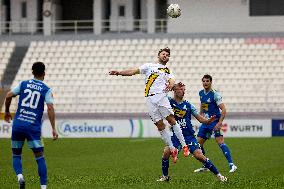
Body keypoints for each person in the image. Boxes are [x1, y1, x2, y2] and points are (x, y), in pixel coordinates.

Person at [109, 47, 189, 162]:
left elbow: (172, 81)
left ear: (168, 58)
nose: (165, 55)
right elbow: (133, 71)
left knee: (171, 120)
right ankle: (172, 148)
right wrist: (119, 73)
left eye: (167, 55)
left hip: (161, 97)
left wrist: (171, 85)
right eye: (163, 54)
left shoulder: (168, 70)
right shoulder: (149, 66)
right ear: (159, 55)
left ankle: (184, 145)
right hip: (149, 99)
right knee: (160, 125)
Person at [157, 82, 227, 182]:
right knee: (166, 152)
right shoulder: (168, 102)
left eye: (184, 90)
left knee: (199, 155)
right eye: (181, 89)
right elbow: (161, 95)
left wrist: (207, 121)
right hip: (176, 137)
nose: (183, 92)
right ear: (175, 90)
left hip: (189, 136)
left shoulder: (189, 105)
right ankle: (165, 177)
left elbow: (200, 118)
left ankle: (219, 175)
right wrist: (172, 85)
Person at [4, 62, 58, 189]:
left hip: (18, 124)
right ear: (44, 73)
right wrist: (54, 128)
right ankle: (43, 187)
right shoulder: (46, 89)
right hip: (33, 127)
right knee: (40, 157)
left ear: (32, 72)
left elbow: (8, 95)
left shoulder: (23, 84)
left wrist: (7, 112)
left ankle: (20, 177)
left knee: (16, 154)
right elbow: (50, 108)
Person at [194, 74, 237, 173]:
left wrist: (220, 122)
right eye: (204, 81)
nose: (205, 83)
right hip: (206, 122)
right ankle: (206, 165)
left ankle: (232, 164)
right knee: (198, 144)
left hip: (214, 122)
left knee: (220, 142)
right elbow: (202, 105)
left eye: (207, 81)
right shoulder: (201, 93)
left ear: (211, 82)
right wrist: (201, 115)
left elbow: (223, 109)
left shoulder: (215, 94)